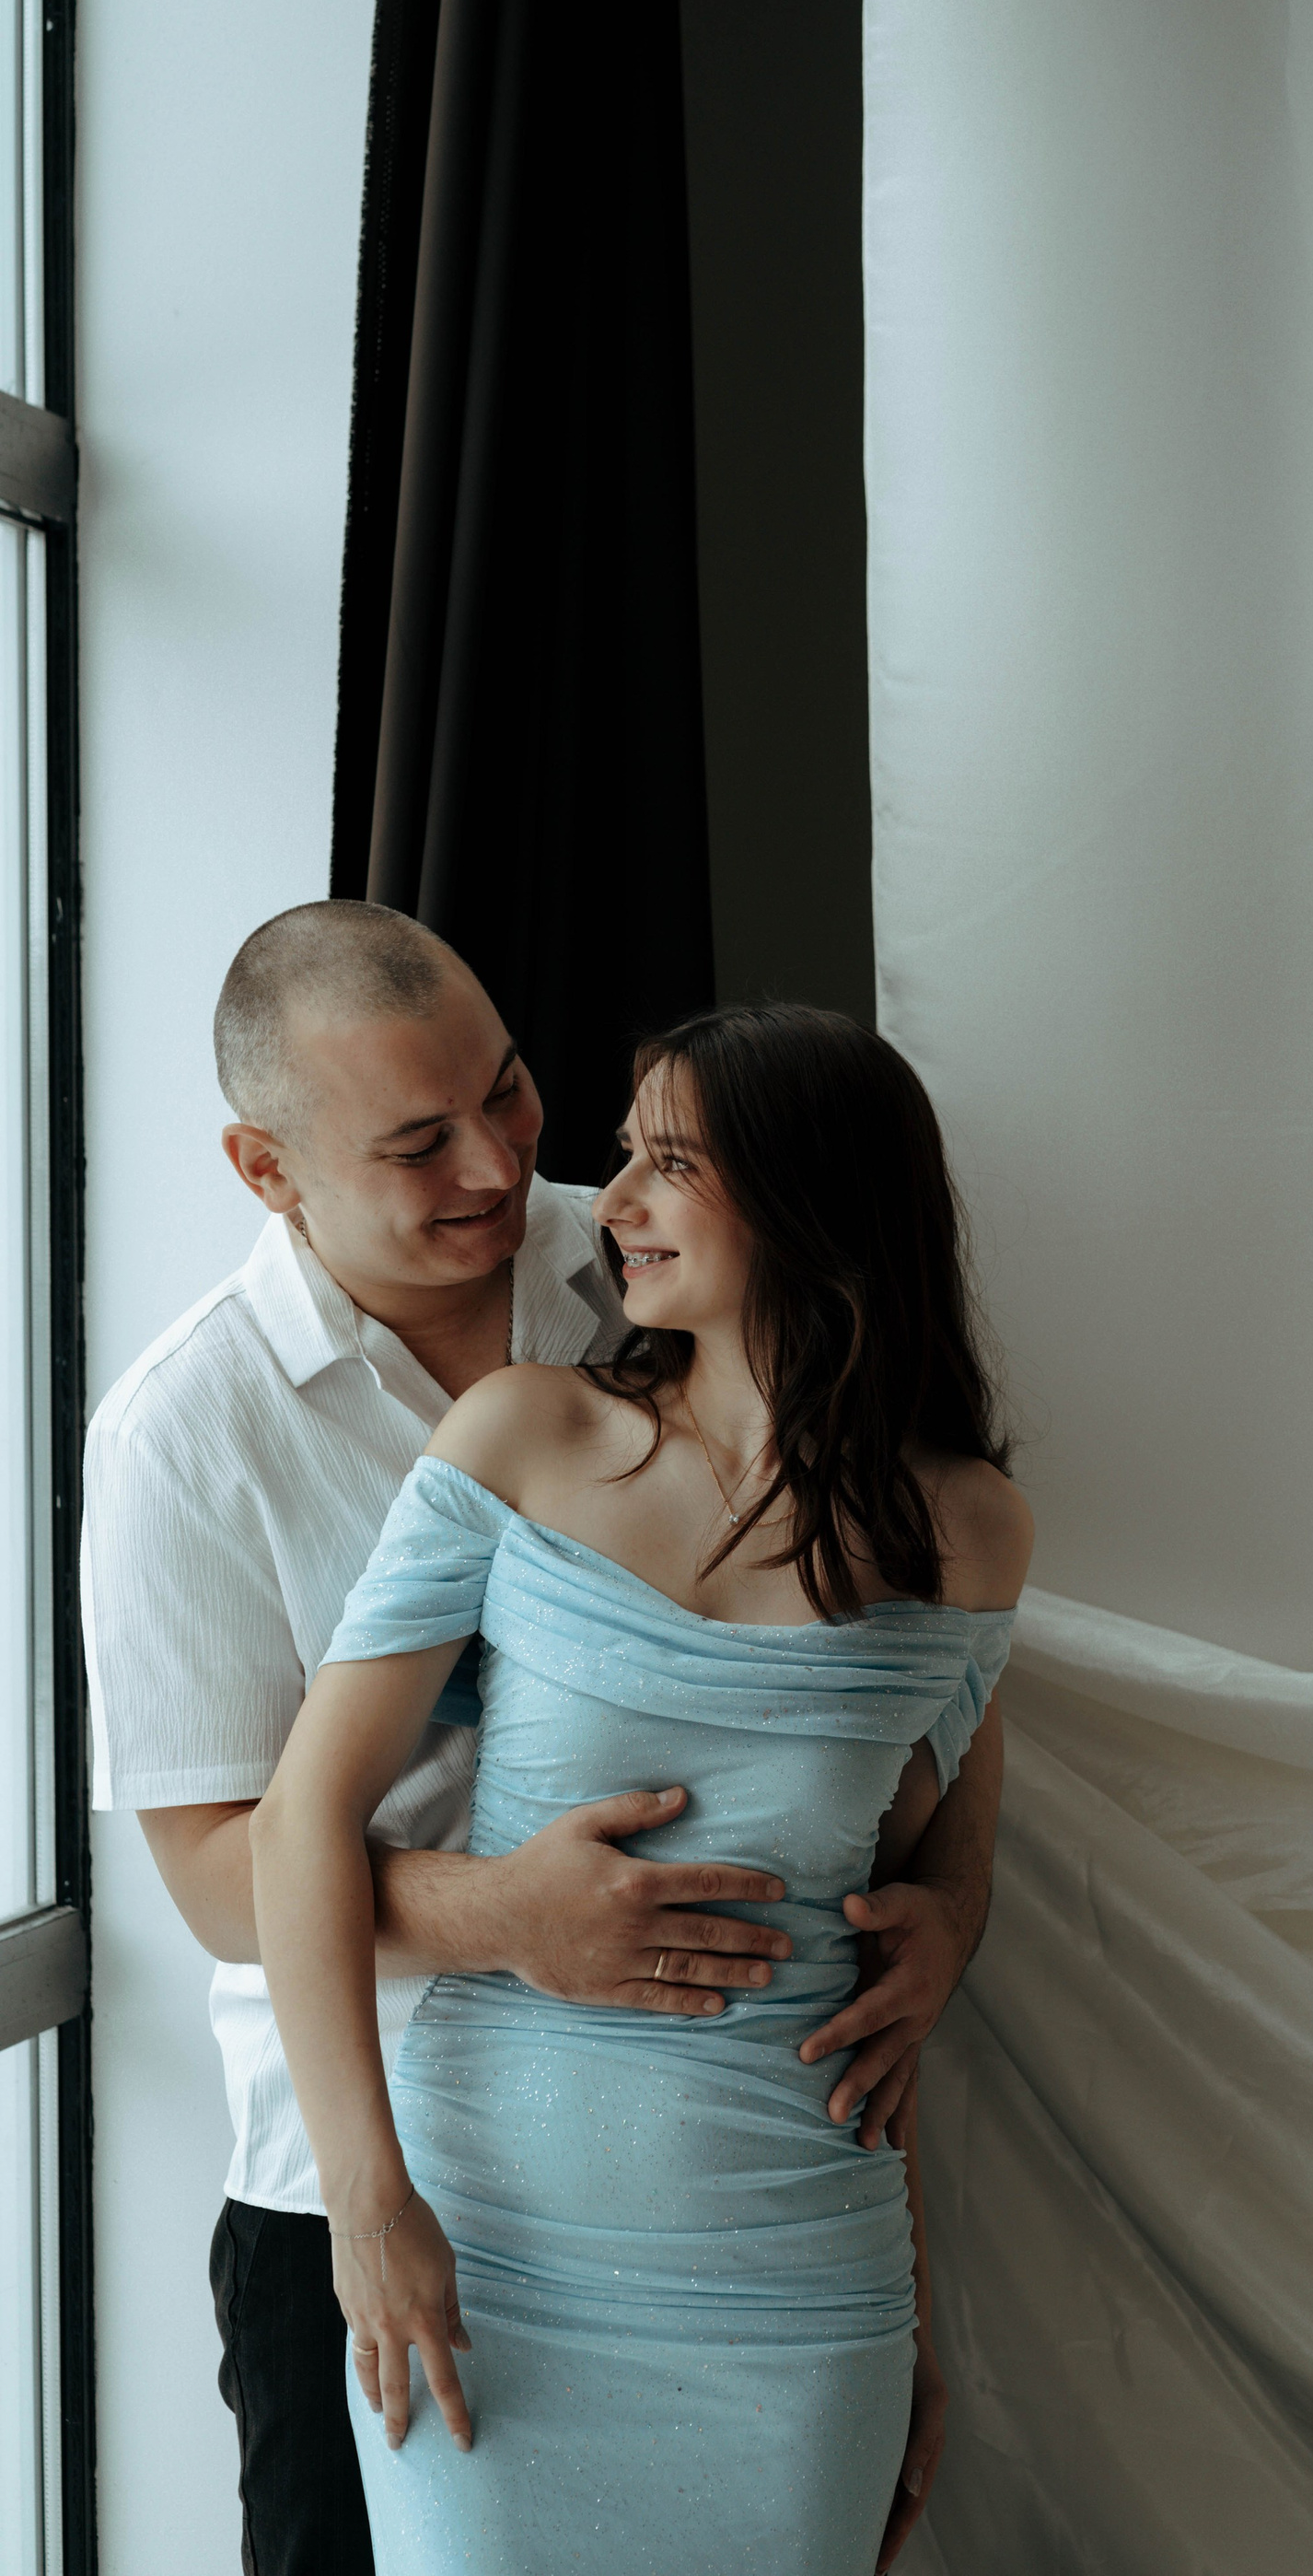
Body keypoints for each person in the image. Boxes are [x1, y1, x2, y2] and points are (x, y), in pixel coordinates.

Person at [82, 904, 1006, 2576]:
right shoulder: (185, 1435)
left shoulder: (649, 1250)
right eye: (418, 1144)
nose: (503, 1168)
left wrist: (952, 1908)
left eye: (507, 1093)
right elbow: (225, 1875)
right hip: (366, 2185)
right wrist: (508, 1918)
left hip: (766, 2211)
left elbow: (914, 1732)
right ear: (267, 1169)